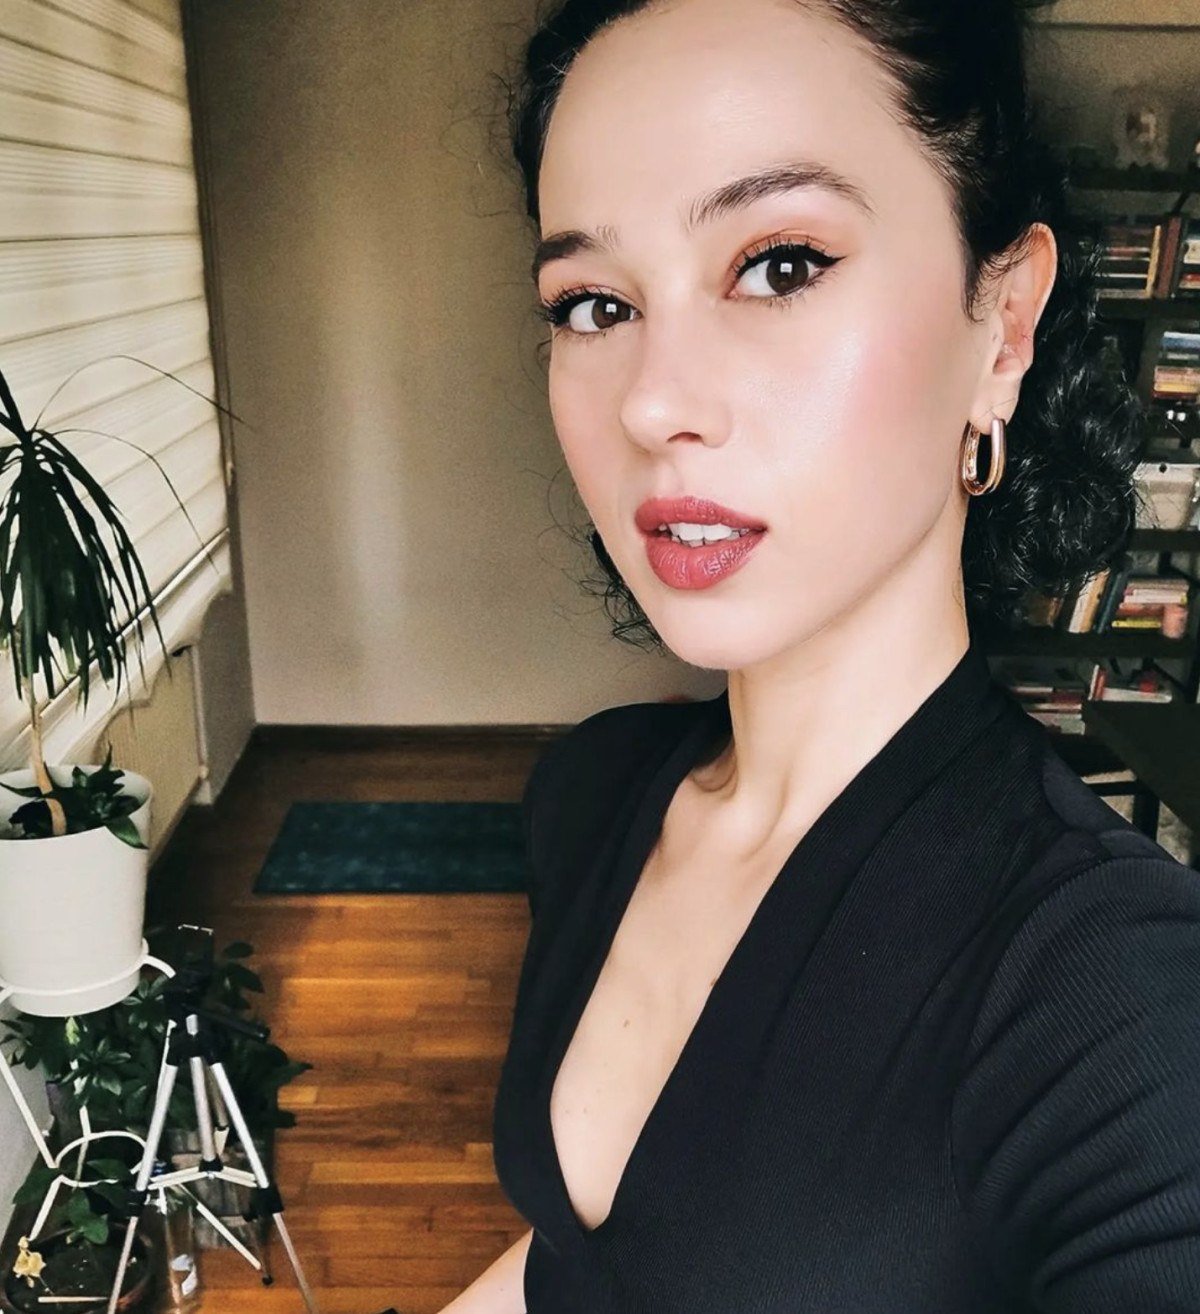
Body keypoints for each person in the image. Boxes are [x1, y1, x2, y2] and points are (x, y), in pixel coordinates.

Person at [440, 0, 1200, 1309]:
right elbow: (577, 1264)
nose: (652, 401)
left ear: (1003, 323)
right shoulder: (593, 793)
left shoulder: (1116, 998)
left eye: (780, 265)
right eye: (595, 303)